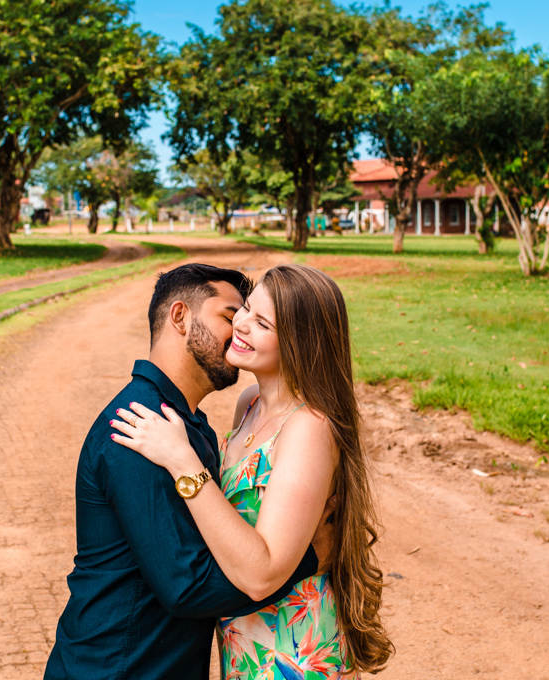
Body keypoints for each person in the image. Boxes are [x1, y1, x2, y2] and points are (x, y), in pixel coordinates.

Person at [44, 263, 330, 680]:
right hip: (117, 668)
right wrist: (311, 557)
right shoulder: (139, 428)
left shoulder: (188, 426)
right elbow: (188, 586)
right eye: (232, 317)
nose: (240, 331)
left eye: (253, 318)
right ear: (180, 316)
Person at [112, 263, 393, 679]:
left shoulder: (307, 429)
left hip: (291, 650)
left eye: (261, 323)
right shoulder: (249, 404)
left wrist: (183, 462)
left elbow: (261, 574)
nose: (239, 324)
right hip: (244, 642)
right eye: (244, 309)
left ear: (300, 343)